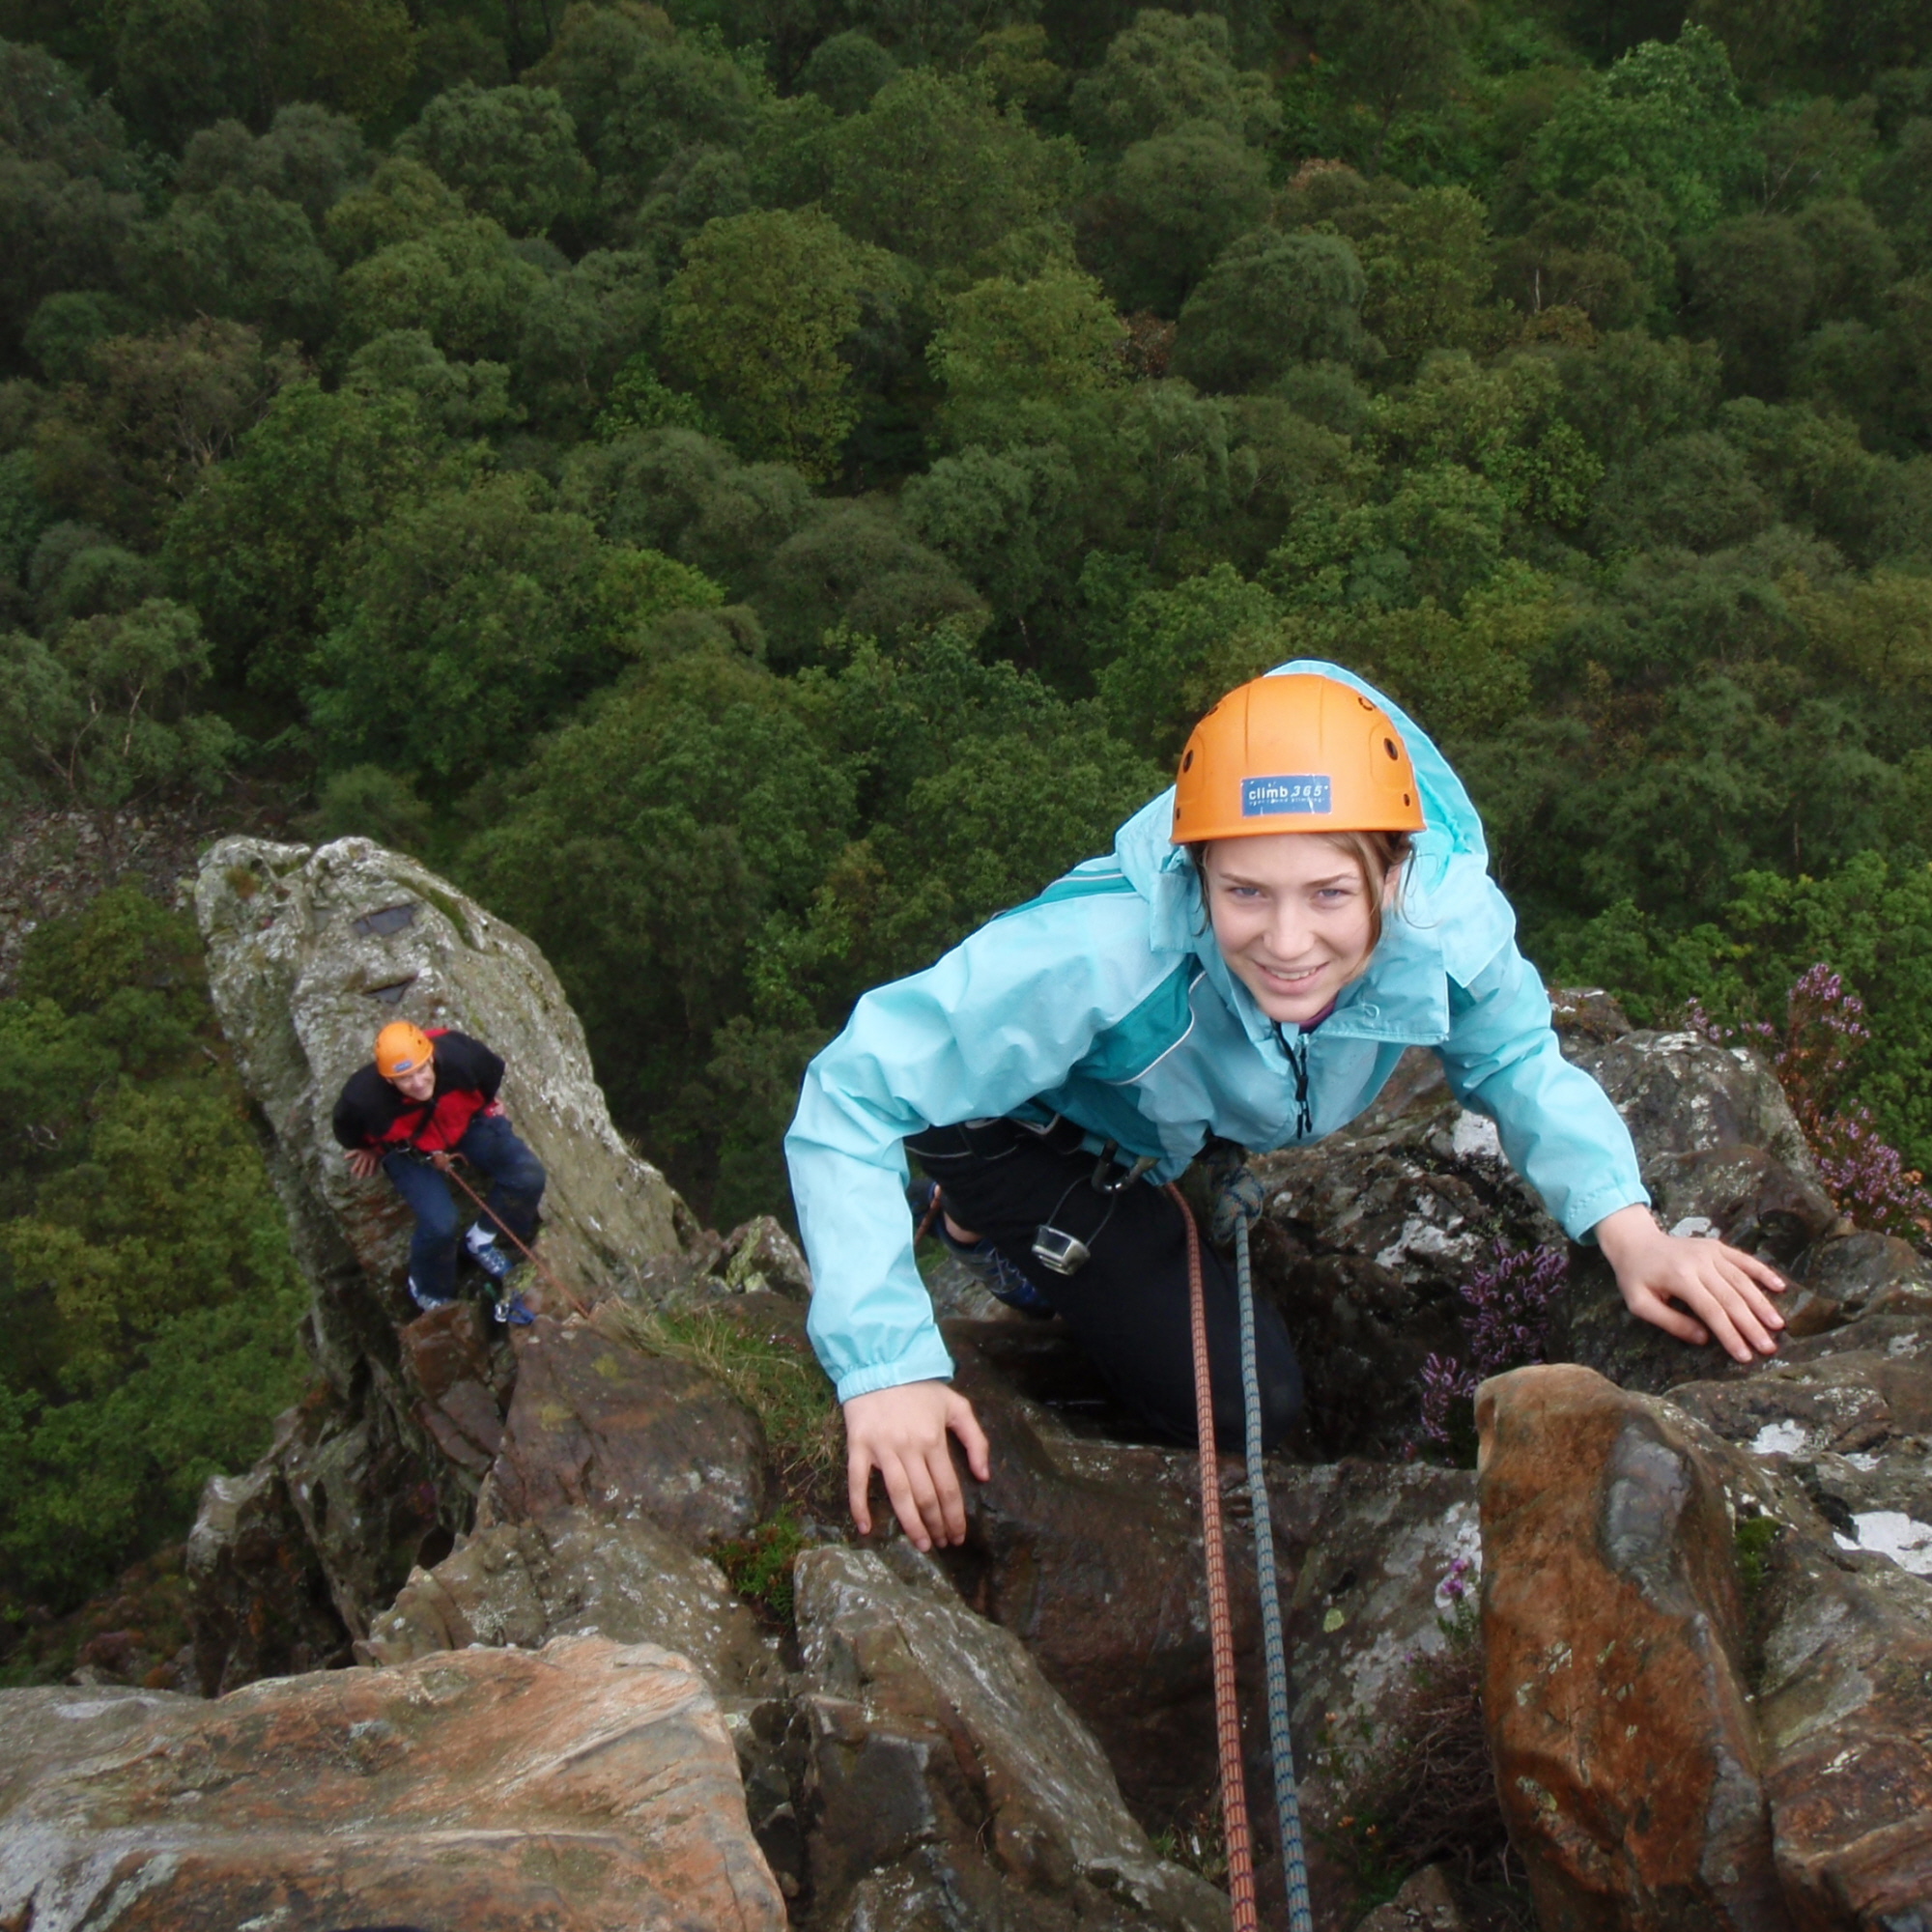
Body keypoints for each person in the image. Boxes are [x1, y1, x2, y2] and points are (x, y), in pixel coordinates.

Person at [785, 661, 1787, 1554]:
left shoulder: (1444, 925)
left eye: (1326, 893)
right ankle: (978, 1219)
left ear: (1392, 873)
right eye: (1244, 893)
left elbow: (1517, 1054)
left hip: (1163, 1118)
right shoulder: (1103, 952)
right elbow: (854, 1087)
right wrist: (886, 1368)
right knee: (1245, 1401)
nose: (1287, 939)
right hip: (1016, 1130)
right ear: (1195, 875)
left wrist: (1628, 1229)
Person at [332, 1020, 545, 1323]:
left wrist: (486, 1105)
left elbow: (490, 1072)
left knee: (528, 1176)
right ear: (389, 1080)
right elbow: (347, 1127)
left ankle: (481, 1239)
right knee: (440, 1224)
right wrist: (367, 1148)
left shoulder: (460, 1057)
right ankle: (429, 1290)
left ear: (431, 1057)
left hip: (466, 1125)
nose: (418, 1083)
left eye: (421, 1070)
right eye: (405, 1078)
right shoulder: (365, 1098)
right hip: (410, 1153)